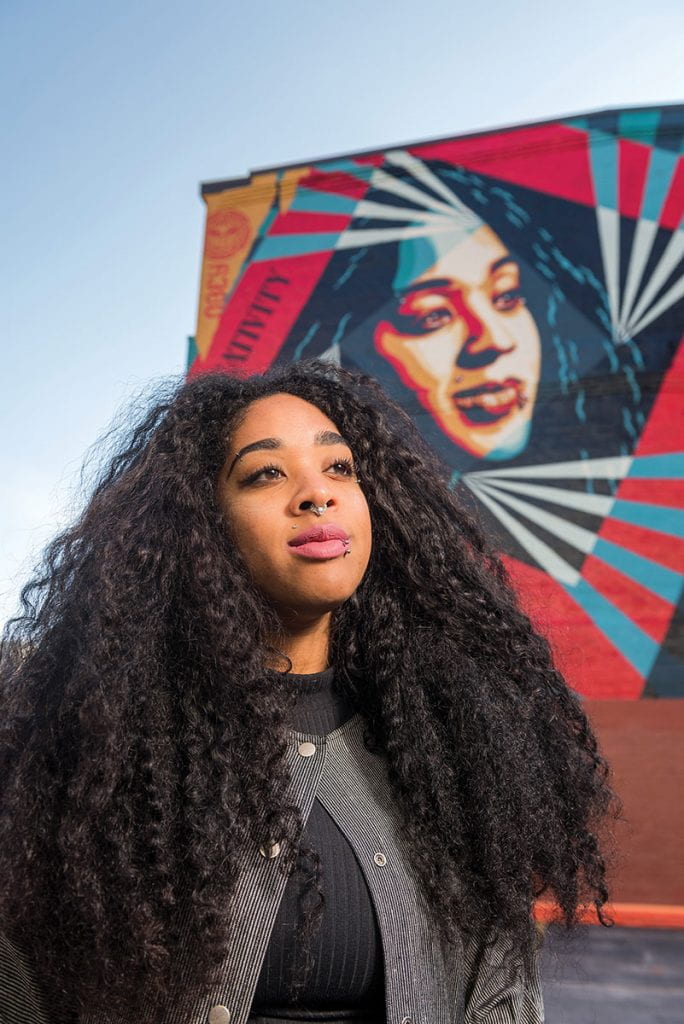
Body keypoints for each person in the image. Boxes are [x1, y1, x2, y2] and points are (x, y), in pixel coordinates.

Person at [0, 361, 614, 1024]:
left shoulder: (451, 747)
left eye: (341, 469)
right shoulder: (101, 752)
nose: (316, 494)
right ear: (201, 526)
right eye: (267, 473)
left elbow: (500, 992)